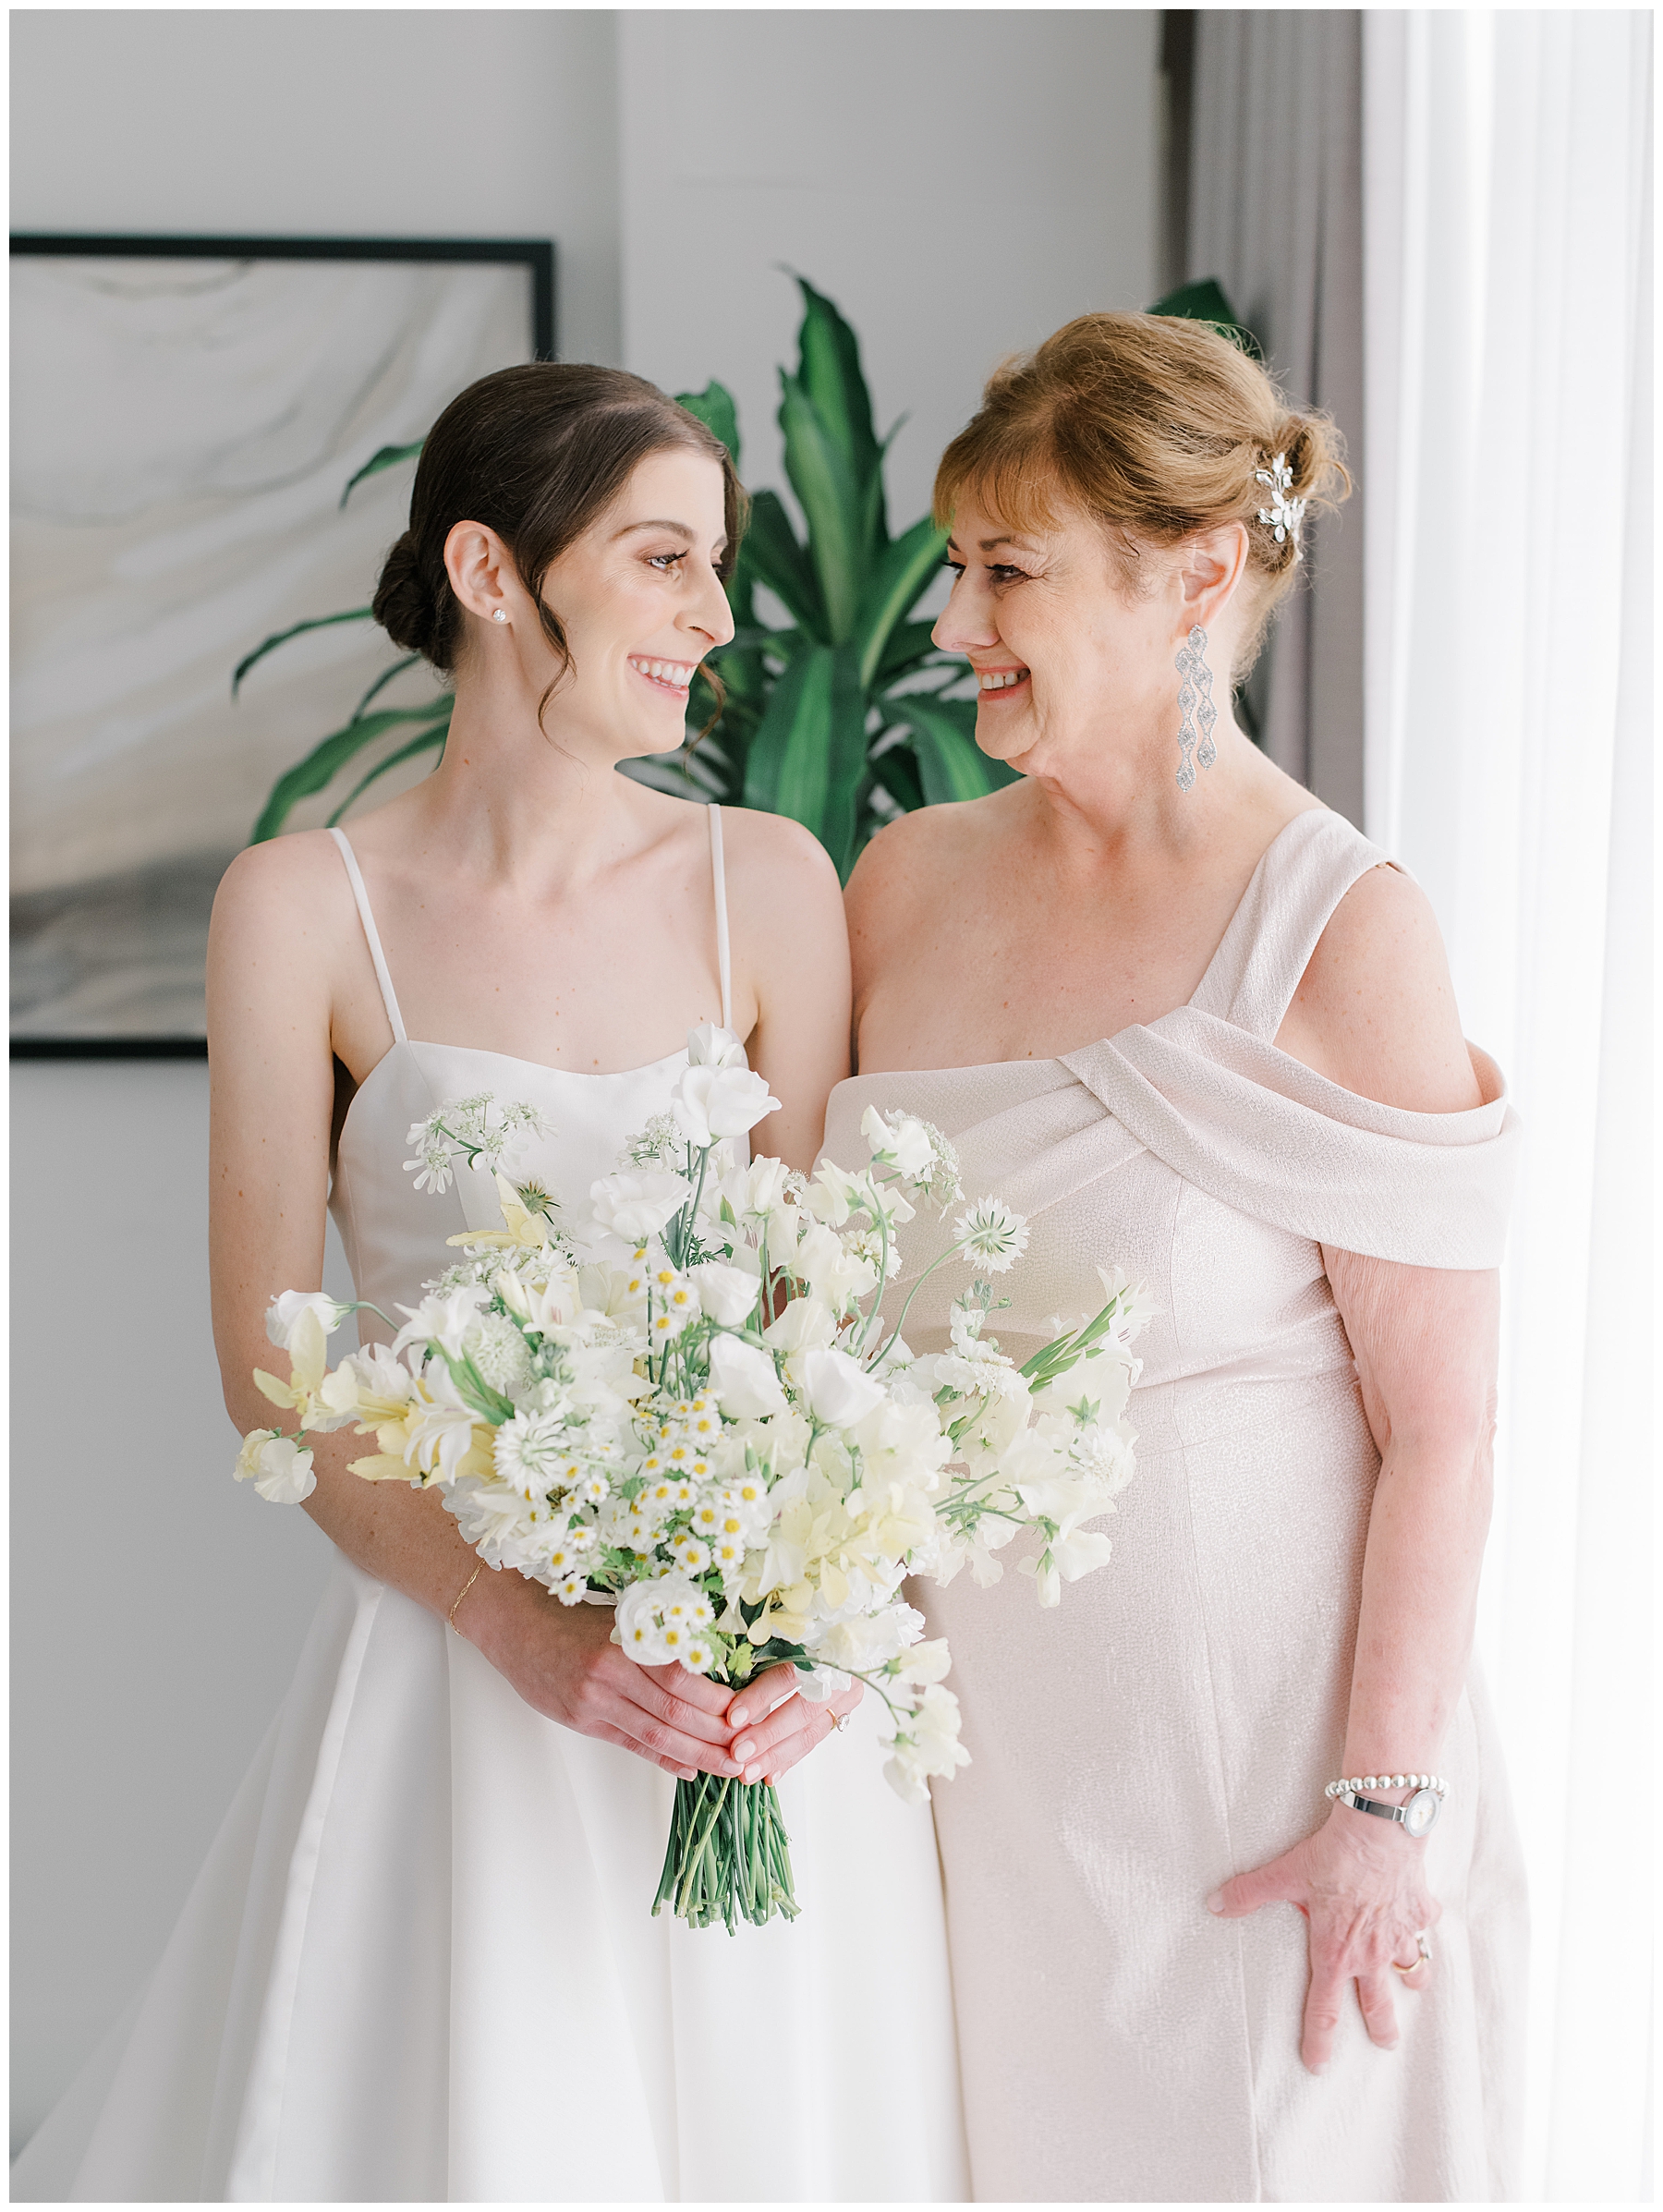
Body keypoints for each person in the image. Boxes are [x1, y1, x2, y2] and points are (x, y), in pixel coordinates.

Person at [14, 364, 965, 2204]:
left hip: (745, 1695)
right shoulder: (298, 908)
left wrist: (816, 1635)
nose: (710, 618)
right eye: (665, 559)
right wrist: (532, 1636)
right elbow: (274, 1372)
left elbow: (821, 1322)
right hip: (462, 1679)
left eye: (718, 566)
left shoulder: (771, 882)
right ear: (488, 567)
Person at [824, 313, 1525, 2202]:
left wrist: (1380, 1810)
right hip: (961, 1794)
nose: (956, 621)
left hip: (1257, 1804)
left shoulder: (1343, 929)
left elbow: (1445, 1429)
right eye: (961, 567)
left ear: (1196, 576)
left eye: (1008, 573)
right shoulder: (903, 886)